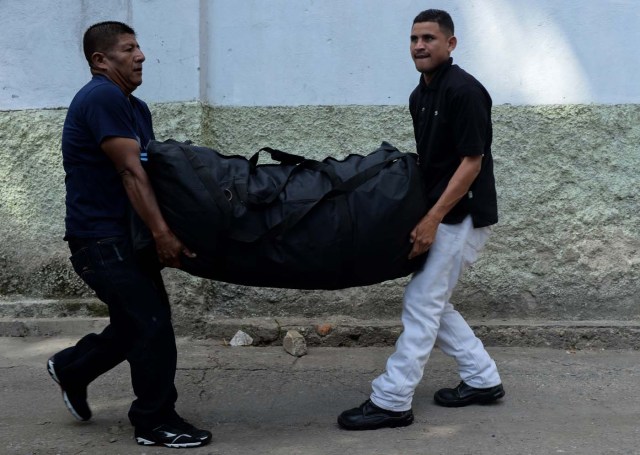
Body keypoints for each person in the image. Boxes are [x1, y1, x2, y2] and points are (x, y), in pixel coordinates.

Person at [47, 21, 211, 448]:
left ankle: (72, 369)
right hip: (100, 240)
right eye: (128, 49)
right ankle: (154, 421)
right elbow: (130, 172)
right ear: (101, 60)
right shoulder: (101, 97)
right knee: (151, 325)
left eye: (139, 47)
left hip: (122, 238)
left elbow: (152, 171)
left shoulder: (133, 107)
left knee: (133, 323)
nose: (140, 56)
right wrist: (162, 234)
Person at [338, 9, 505, 430]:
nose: (419, 46)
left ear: (450, 44)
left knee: (421, 301)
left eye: (429, 38)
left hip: (462, 215)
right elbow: (432, 164)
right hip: (441, 212)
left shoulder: (465, 91)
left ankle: (392, 399)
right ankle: (482, 379)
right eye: (414, 38)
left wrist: (432, 218)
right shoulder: (421, 94)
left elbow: (471, 163)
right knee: (434, 300)